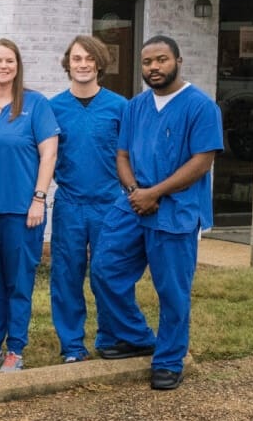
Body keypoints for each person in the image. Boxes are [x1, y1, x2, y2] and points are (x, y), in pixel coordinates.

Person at [91, 35, 223, 391]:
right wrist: (136, 192)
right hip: (133, 204)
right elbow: (122, 156)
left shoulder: (200, 106)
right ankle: (133, 336)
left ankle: (168, 359)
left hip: (176, 209)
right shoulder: (135, 106)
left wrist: (156, 193)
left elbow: (202, 161)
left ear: (178, 61)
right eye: (148, 62)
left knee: (172, 290)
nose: (154, 67)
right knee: (105, 269)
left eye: (161, 60)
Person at [0, 39, 59, 374]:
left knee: (18, 281)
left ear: (17, 66)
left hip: (23, 209)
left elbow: (48, 154)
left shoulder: (35, 105)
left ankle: (16, 350)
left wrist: (39, 197)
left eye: (9, 60)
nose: (3, 66)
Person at [47, 35, 128, 364]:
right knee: (66, 274)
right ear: (68, 64)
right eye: (77, 59)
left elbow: (130, 155)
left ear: (99, 64)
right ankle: (72, 346)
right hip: (70, 202)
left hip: (110, 202)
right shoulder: (53, 108)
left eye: (89, 59)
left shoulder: (120, 106)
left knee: (108, 273)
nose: (83, 65)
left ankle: (110, 338)